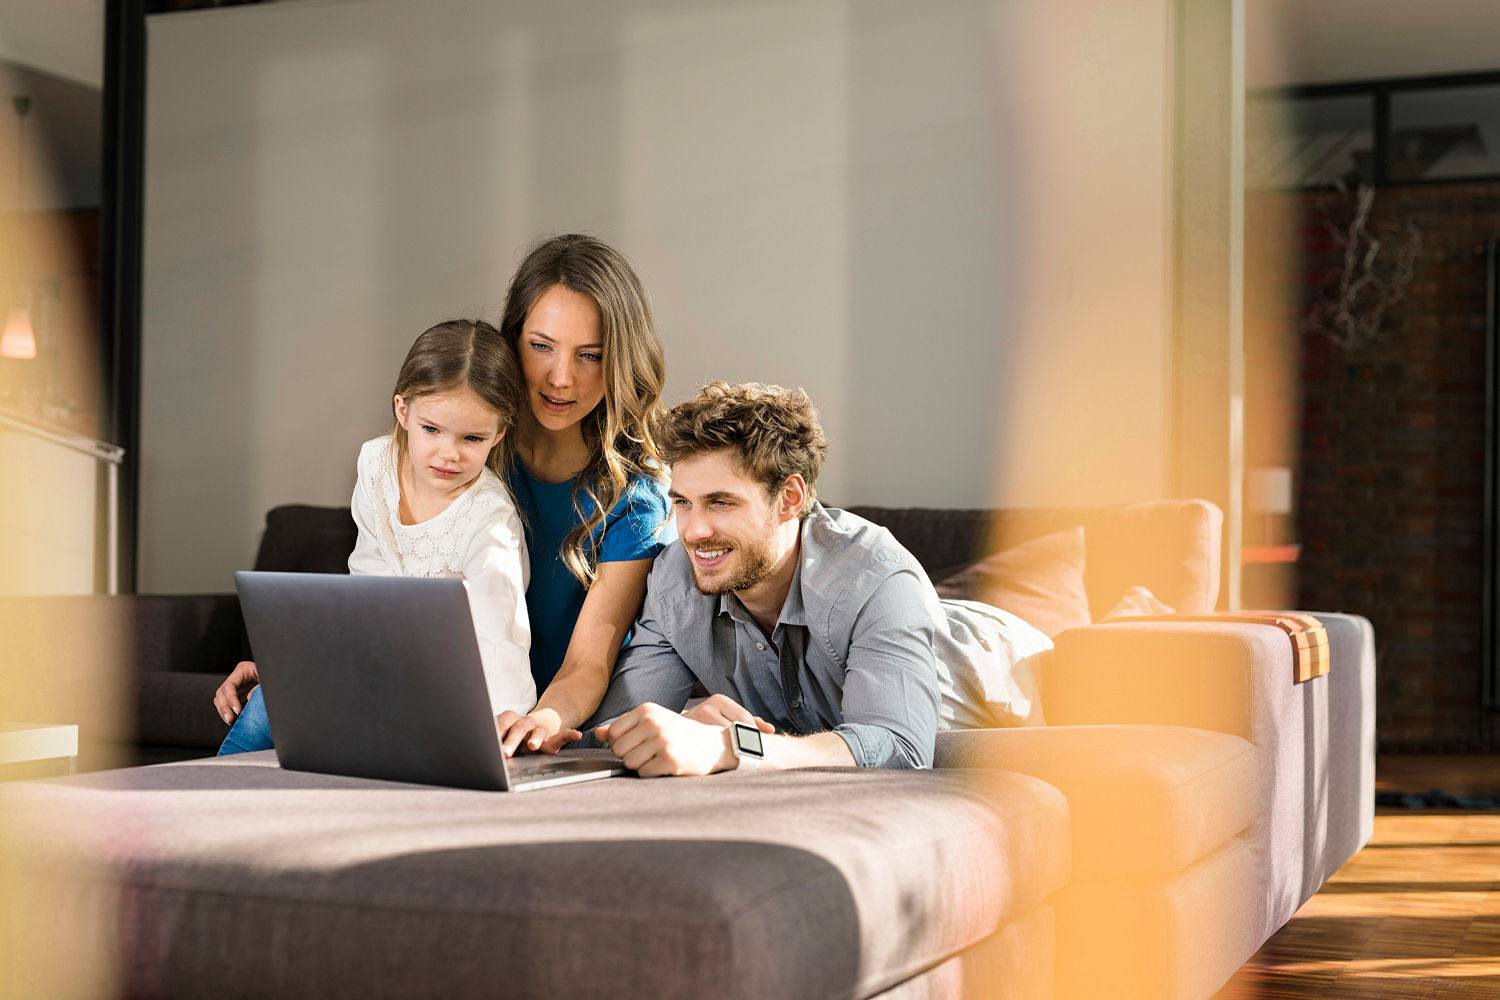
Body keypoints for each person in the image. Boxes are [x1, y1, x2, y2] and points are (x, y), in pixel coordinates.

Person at [585, 382, 944, 776]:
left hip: (1001, 668)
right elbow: (610, 736)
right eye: (683, 502)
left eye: (720, 502)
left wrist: (732, 746)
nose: (693, 532)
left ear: (789, 498)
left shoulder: (875, 579)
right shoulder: (675, 581)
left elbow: (900, 749)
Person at [213, 319, 535, 753]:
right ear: (403, 411)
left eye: (472, 437)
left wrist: (498, 733)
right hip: (379, 669)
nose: (448, 453)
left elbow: (501, 643)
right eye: (431, 429)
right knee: (272, 699)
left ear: (499, 432)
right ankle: (216, 801)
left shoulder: (489, 521)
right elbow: (366, 586)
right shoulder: (376, 466)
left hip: (448, 697)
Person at [490, 234, 675, 756]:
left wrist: (538, 722)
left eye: (590, 355)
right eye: (541, 346)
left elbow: (589, 662)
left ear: (620, 360)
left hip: (566, 725)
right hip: (456, 706)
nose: (561, 378)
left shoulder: (638, 498)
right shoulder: (471, 455)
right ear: (513, 341)